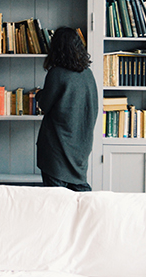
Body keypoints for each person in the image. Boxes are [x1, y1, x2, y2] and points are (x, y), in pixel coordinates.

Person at [35, 26, 98, 191]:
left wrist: (39, 94)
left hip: (56, 147)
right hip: (81, 146)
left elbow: (44, 105)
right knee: (81, 197)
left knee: (57, 202)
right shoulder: (88, 74)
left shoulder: (56, 73)